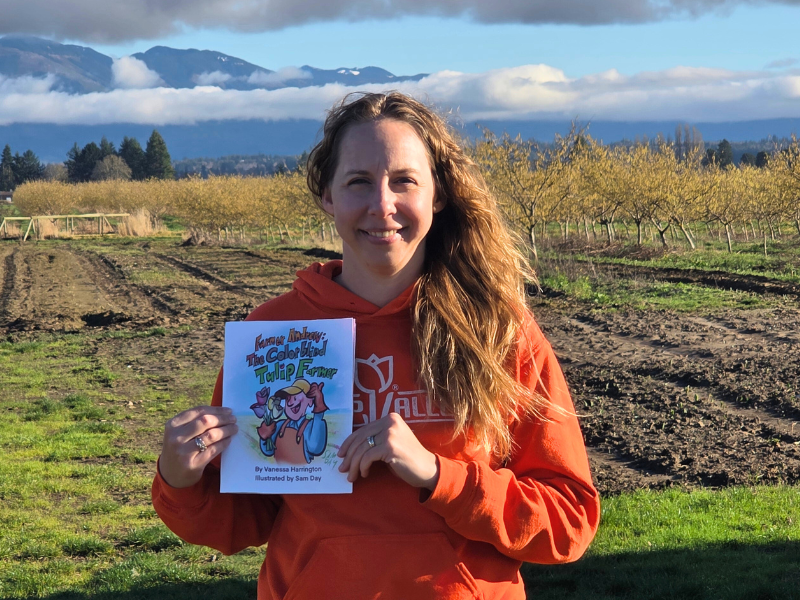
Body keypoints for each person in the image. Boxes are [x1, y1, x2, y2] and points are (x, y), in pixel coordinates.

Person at [152, 91, 600, 600]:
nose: (381, 205)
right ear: (328, 195)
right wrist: (180, 477)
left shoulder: (496, 330)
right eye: (358, 181)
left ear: (438, 194)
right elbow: (244, 520)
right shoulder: (277, 333)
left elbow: (568, 521)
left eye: (404, 181)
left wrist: (440, 477)